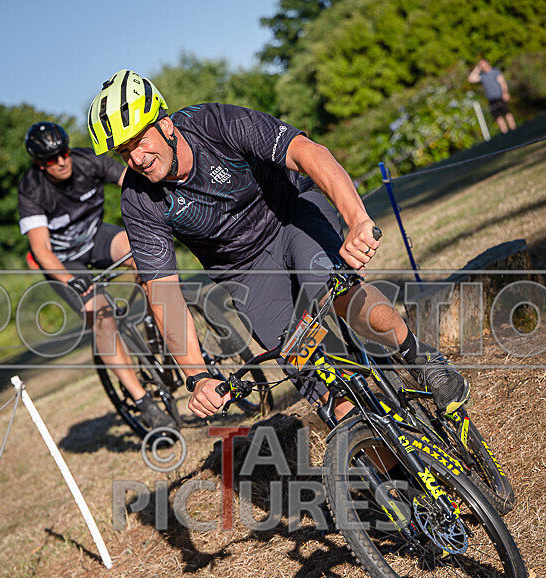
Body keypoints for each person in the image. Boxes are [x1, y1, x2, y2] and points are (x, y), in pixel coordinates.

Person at [87, 69, 470, 422]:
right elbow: (164, 293)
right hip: (245, 271)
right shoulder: (139, 199)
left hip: (291, 215)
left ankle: (419, 356)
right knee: (330, 395)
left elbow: (307, 152)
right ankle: (404, 482)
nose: (137, 157)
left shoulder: (217, 124)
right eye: (124, 151)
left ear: (165, 124)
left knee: (338, 294)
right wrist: (197, 377)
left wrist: (357, 220)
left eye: (140, 141)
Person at [17, 121, 174, 429]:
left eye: (63, 153)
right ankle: (141, 398)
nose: (61, 162)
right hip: (64, 261)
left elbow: (136, 178)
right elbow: (41, 250)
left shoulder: (88, 160)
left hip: (96, 237)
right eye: (50, 159)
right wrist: (68, 281)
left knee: (142, 250)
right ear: (39, 162)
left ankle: (157, 327)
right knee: (100, 312)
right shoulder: (31, 190)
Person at [468, 58, 516, 133]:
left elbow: (502, 82)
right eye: (480, 65)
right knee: (497, 116)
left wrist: (505, 92)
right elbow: (470, 79)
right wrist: (477, 69)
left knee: (506, 112)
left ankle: (514, 129)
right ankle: (505, 132)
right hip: (491, 99)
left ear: (487, 63)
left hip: (500, 96)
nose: (482, 66)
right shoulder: (482, 76)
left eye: (482, 64)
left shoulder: (495, 72)